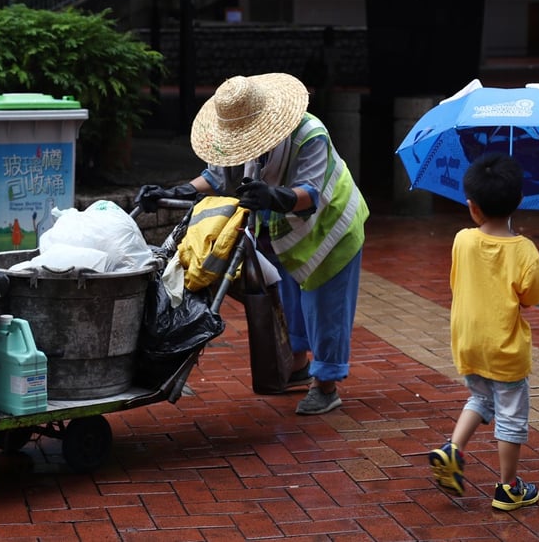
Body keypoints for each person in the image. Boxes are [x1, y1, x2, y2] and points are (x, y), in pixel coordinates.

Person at [136, 73, 368, 415]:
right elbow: (216, 175)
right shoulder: (235, 136)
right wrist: (176, 191)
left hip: (331, 228)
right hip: (282, 230)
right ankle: (298, 367)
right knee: (287, 301)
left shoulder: (310, 134)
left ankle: (326, 385)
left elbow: (311, 193)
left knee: (324, 308)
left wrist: (276, 195)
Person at [428, 152, 539, 511]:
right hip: (505, 349)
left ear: (472, 207)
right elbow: (531, 299)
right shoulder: (526, 251)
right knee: (510, 415)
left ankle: (452, 449)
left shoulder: (462, 240)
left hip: (468, 343)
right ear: (519, 201)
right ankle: (508, 487)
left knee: (481, 399)